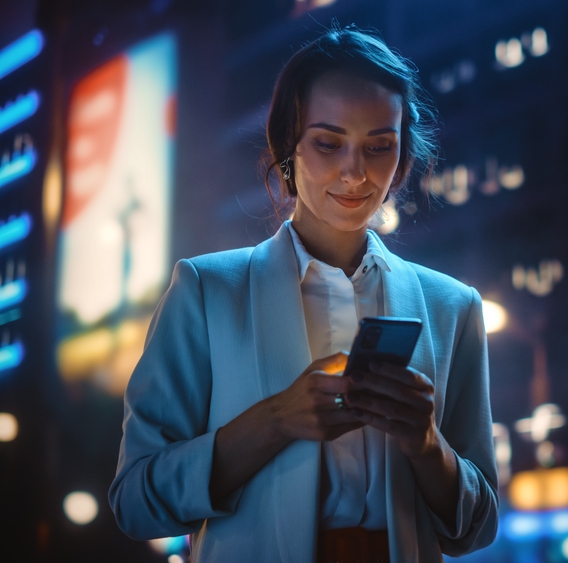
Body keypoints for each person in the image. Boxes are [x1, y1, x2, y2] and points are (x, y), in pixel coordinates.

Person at [109, 26, 498, 563]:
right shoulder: (207, 291)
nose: (355, 172)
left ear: (403, 155)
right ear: (286, 145)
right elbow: (135, 502)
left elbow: (477, 529)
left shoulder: (452, 307)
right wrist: (275, 422)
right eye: (327, 142)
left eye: (379, 146)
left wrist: (427, 443)